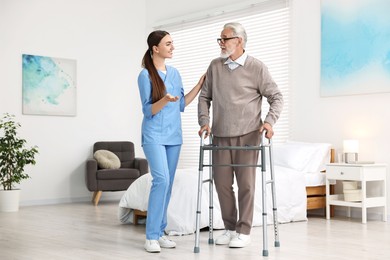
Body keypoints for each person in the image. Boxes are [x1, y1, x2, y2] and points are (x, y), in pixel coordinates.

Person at [197, 22, 283, 248]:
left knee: (246, 185)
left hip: (248, 135)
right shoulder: (215, 66)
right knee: (222, 183)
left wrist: (269, 122)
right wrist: (204, 122)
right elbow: (204, 97)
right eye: (220, 39)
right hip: (220, 134)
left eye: (225, 39)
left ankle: (244, 230)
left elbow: (276, 97)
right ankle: (229, 227)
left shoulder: (257, 67)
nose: (221, 43)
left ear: (239, 41)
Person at [138, 30, 205, 253]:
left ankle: (160, 232)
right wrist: (164, 99)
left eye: (172, 43)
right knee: (161, 181)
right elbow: (148, 110)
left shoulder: (175, 73)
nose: (172, 47)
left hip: (174, 137)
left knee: (167, 187)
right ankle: (150, 237)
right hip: (154, 136)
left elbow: (182, 104)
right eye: (168, 44)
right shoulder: (145, 75)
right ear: (155, 48)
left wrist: (199, 85)